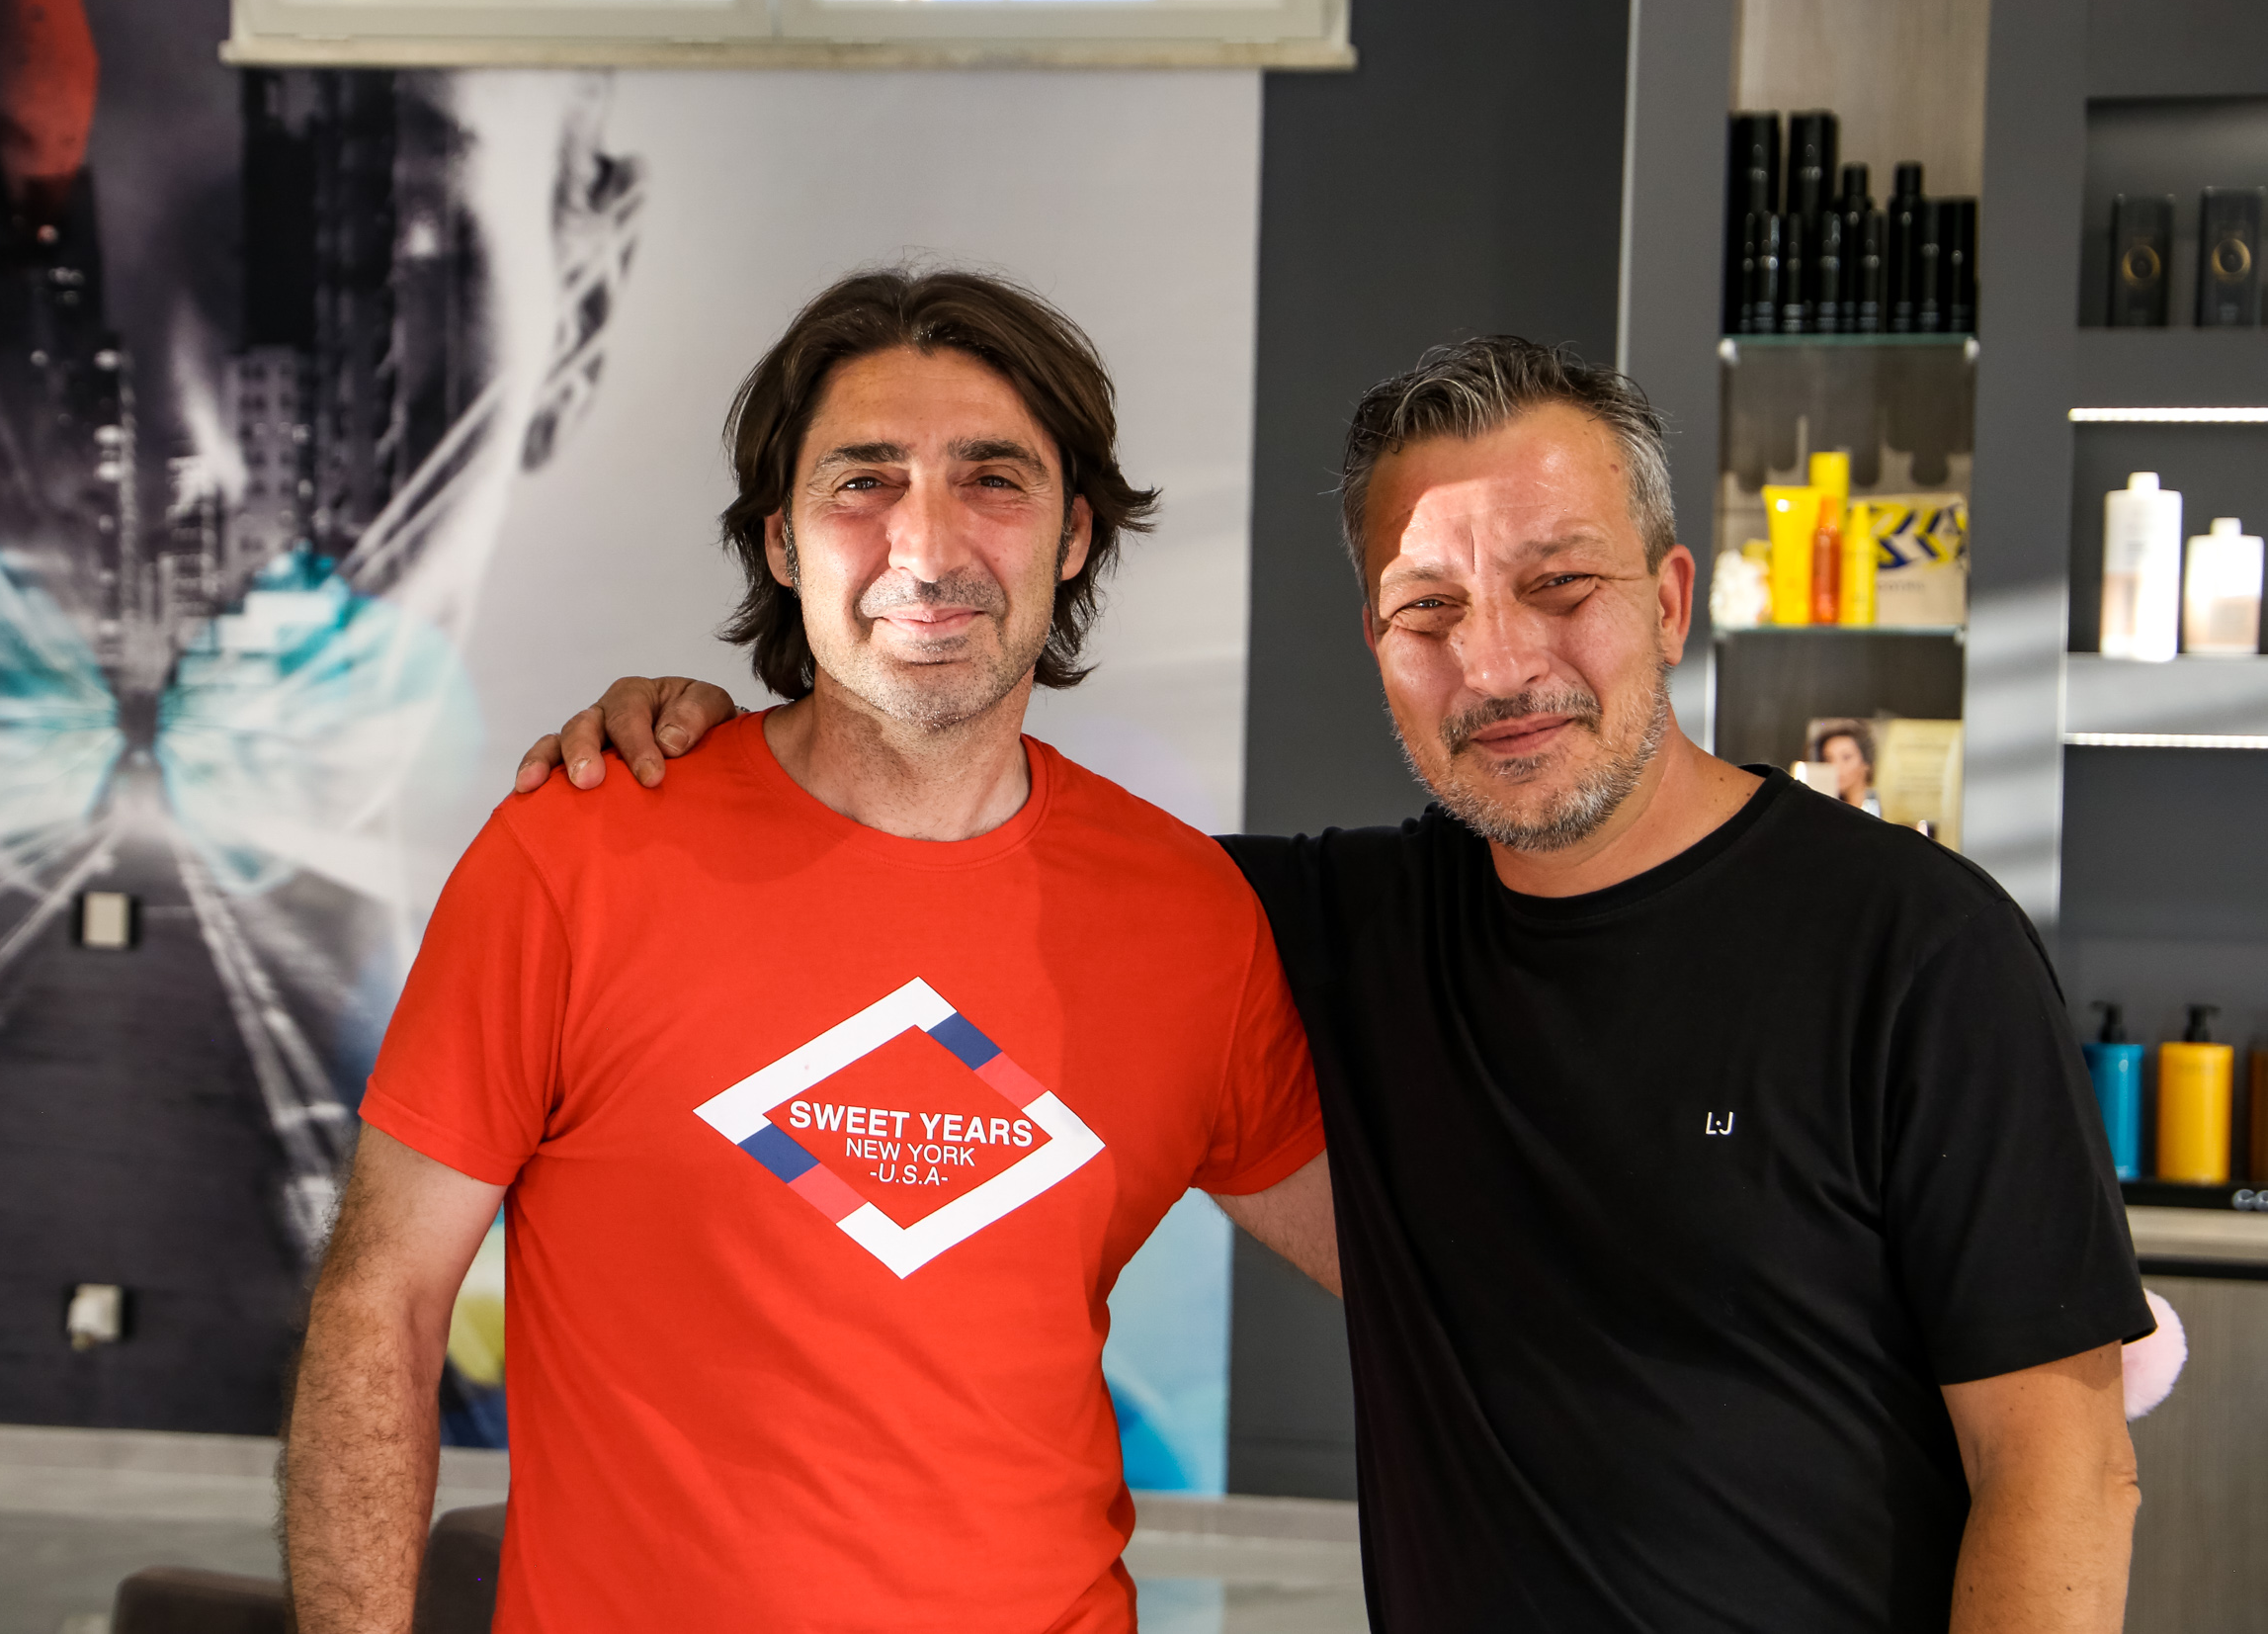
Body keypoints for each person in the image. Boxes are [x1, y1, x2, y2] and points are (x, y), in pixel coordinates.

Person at [530, 337, 2152, 1633]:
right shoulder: (1302, 927)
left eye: (1561, 587)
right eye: (1427, 609)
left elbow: (2067, 1472)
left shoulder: (1912, 947)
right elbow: (948, 846)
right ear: (1375, 642)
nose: (1498, 664)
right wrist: (718, 746)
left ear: (1668, 601)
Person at [285, 269, 1335, 1634]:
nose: (926, 542)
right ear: (780, 542)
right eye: (863, 481)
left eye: (992, 479)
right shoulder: (580, 854)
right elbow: (383, 1300)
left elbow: (1419, 1277)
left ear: (1076, 533)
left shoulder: (1190, 912)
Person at [1814, 719, 1883, 815]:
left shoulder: (1881, 808)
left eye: (1846, 757)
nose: (1835, 766)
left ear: (1866, 762)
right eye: (1828, 759)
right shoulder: (1826, 809)